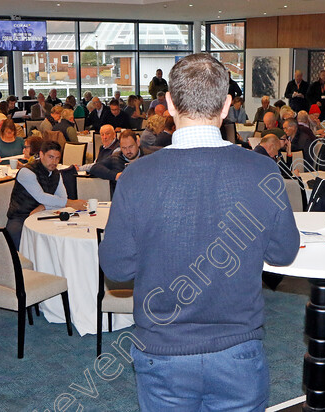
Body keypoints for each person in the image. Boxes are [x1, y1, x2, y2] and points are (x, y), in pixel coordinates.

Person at [99, 53, 300, 411]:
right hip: (238, 348)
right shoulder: (262, 171)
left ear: (170, 104)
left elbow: (116, 268)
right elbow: (283, 253)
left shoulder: (137, 176)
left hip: (163, 350)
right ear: (226, 106)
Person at [5, 140, 88, 247]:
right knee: (25, 246)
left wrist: (43, 207)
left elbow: (62, 197)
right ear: (41, 154)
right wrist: (71, 203)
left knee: (60, 237)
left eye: (57, 158)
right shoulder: (27, 172)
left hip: (43, 214)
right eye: (51, 157)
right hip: (20, 217)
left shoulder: (56, 173)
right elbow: (41, 197)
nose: (54, 162)